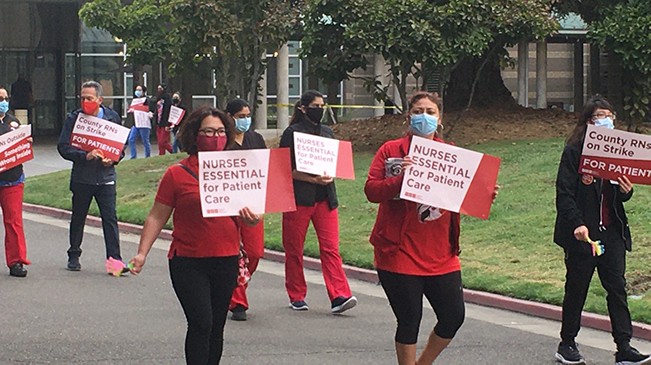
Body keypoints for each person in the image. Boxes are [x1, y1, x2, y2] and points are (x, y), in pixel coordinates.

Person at [364, 91, 498, 365]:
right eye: (418, 111)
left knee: (453, 316)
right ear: (408, 116)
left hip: (441, 254)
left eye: (430, 112)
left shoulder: (451, 156)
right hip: (398, 251)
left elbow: (463, 196)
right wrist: (401, 180)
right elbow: (371, 190)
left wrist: (483, 195)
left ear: (440, 119)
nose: (424, 116)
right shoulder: (391, 151)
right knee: (409, 319)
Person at [129, 106, 261, 364]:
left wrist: (252, 220)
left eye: (221, 131)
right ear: (194, 135)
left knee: (216, 328)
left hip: (226, 259)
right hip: (188, 261)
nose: (216, 137)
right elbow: (157, 215)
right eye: (208, 131)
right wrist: (142, 252)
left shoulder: (238, 172)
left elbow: (254, 216)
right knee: (201, 323)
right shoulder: (176, 174)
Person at [553, 95, 651, 365]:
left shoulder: (618, 153)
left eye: (609, 115)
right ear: (588, 121)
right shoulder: (575, 152)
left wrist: (625, 192)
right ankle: (567, 343)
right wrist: (576, 224)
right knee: (577, 288)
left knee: (617, 288)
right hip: (582, 234)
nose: (605, 120)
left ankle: (624, 347)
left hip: (611, 231)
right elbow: (564, 193)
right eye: (599, 116)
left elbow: (617, 198)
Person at [279, 90, 357, 314]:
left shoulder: (327, 132)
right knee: (294, 248)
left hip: (325, 198)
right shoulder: (291, 133)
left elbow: (334, 161)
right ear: (303, 108)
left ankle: (339, 294)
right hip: (299, 198)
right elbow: (285, 169)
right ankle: (296, 294)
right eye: (315, 105)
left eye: (322, 105)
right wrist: (311, 178)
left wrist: (331, 175)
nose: (319, 109)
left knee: (331, 248)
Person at [57, 81, 126, 272]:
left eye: (90, 98)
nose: (85, 101)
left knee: (110, 219)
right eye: (82, 98)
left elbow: (121, 148)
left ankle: (115, 261)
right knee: (78, 218)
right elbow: (63, 147)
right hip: (82, 178)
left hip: (106, 178)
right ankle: (74, 254)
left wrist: (113, 160)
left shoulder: (112, 118)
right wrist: (84, 156)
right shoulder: (74, 119)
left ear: (100, 100)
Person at [225, 98, 266, 321]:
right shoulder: (223, 140)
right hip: (228, 204)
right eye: (240, 116)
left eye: (247, 115)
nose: (245, 120)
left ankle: (236, 286)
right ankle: (237, 301)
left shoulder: (255, 139)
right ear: (230, 117)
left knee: (254, 251)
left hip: (253, 204)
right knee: (232, 252)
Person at [0, 87, 31, 277]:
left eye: (5, 98)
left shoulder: (14, 122)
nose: (3, 101)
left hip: (12, 179)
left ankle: (16, 261)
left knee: (14, 222)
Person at [127, 84, 152, 159]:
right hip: (136, 123)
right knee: (131, 139)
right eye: (136, 90)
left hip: (143, 123)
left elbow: (148, 109)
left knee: (145, 141)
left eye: (139, 90)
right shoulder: (134, 100)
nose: (137, 92)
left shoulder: (146, 100)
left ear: (143, 92)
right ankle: (133, 156)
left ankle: (147, 156)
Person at [155, 84, 173, 155]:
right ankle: (161, 154)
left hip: (165, 123)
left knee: (163, 141)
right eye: (158, 88)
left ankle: (172, 150)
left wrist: (168, 123)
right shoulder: (158, 98)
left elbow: (168, 111)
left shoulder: (168, 98)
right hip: (158, 122)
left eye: (160, 88)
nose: (159, 90)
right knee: (159, 142)